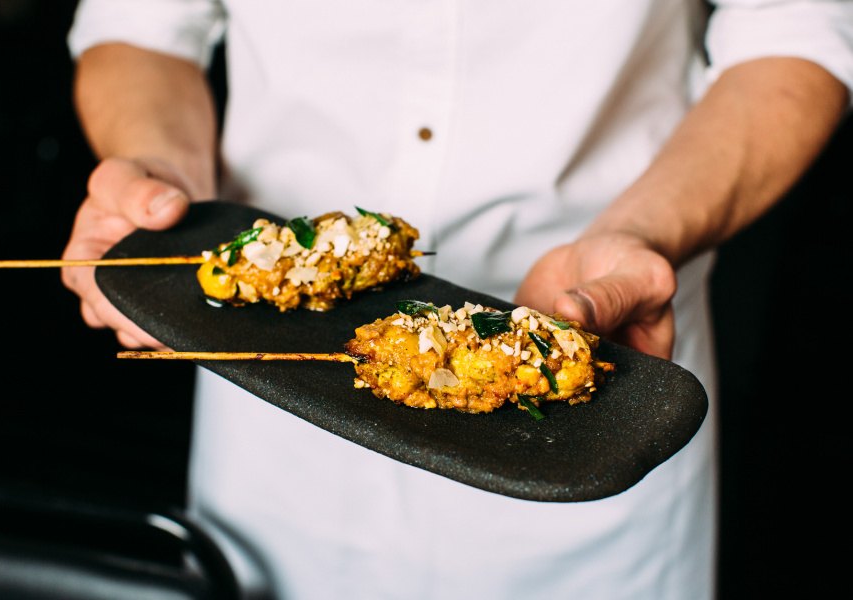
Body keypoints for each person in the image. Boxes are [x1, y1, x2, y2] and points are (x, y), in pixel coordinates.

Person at [63, 1, 853, 598]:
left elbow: (796, 30)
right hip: (275, 421)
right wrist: (166, 190)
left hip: (599, 417)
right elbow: (140, 24)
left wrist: (646, 231)